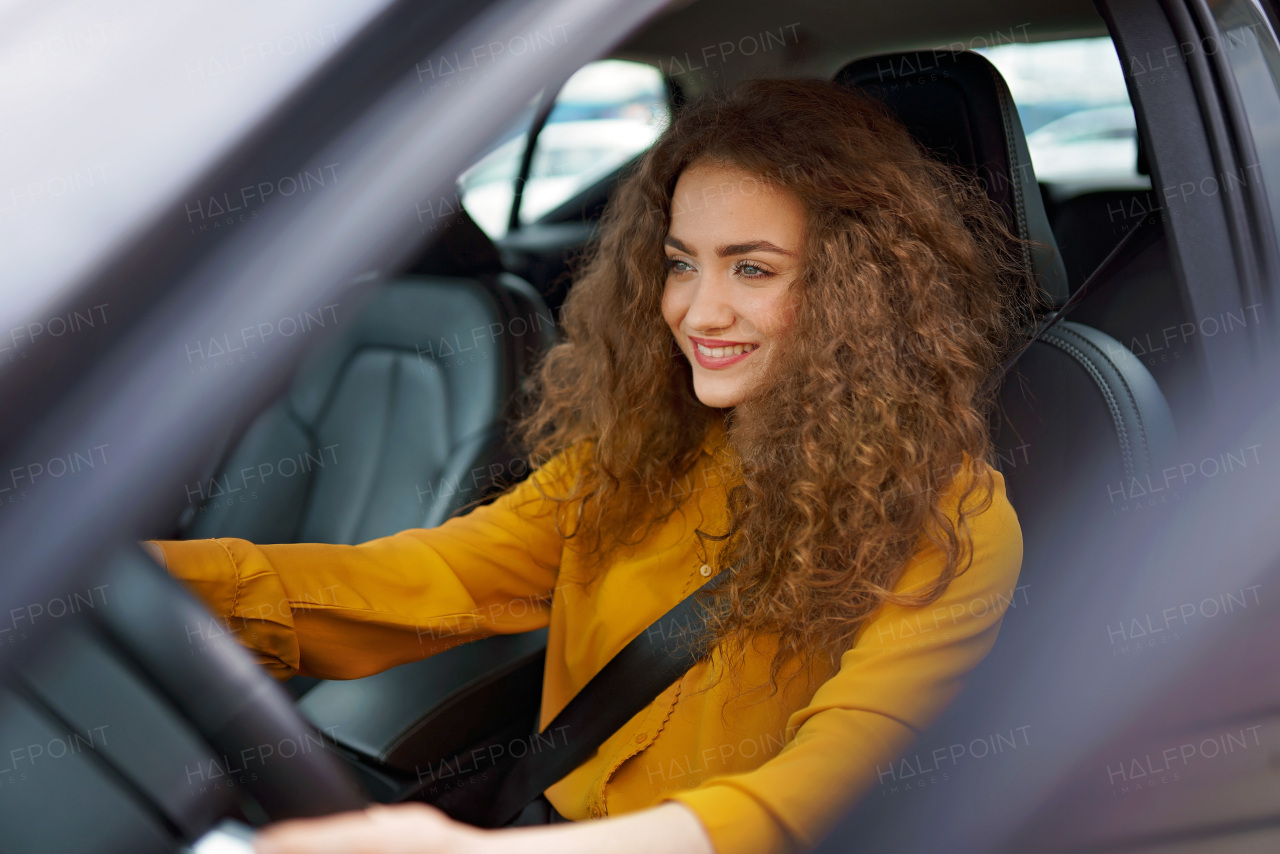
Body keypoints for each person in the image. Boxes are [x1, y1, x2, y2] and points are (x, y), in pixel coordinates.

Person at [143, 76, 1033, 854]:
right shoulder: (636, 457)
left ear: (855, 291)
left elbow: (810, 800)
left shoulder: (950, 524)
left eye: (753, 271)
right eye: (681, 264)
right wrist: (140, 583)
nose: (697, 311)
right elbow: (422, 582)